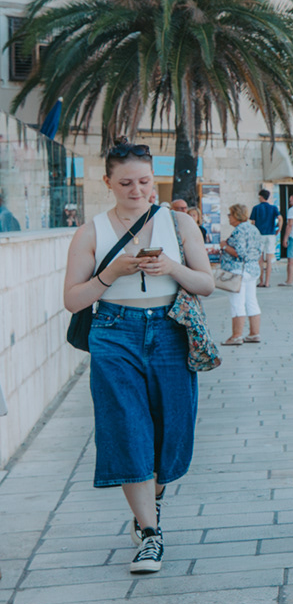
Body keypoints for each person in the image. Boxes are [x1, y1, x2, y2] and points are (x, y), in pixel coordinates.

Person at [61, 140, 216, 575]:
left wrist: (171, 268)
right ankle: (150, 533)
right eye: (126, 182)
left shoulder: (179, 223)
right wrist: (109, 274)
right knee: (126, 427)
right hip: (114, 332)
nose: (137, 190)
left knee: (174, 428)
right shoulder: (91, 232)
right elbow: (73, 300)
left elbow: (206, 283)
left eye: (145, 181)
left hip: (170, 331)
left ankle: (153, 496)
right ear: (107, 182)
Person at [218, 203, 265, 344]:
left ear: (236, 215)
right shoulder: (253, 229)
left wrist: (224, 246)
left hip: (238, 270)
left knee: (237, 303)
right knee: (251, 301)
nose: (228, 217)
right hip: (252, 269)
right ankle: (254, 333)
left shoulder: (239, 231)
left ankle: (236, 336)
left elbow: (238, 252)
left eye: (230, 214)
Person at [250, 188, 280, 289]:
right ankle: (267, 282)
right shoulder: (273, 208)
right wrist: (278, 229)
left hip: (259, 234)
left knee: (260, 259)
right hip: (271, 234)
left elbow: (253, 222)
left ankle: (261, 281)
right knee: (269, 259)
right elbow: (280, 218)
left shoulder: (256, 208)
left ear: (261, 197)